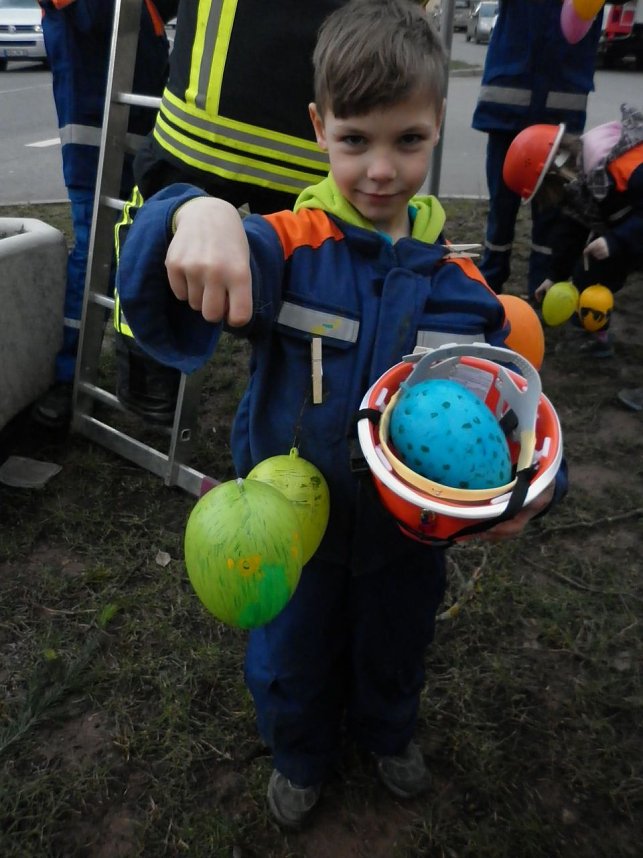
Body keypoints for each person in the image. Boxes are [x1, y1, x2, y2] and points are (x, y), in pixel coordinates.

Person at [117, 0, 567, 828]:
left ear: (438, 128)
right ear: (320, 127)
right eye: (354, 139)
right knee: (290, 658)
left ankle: (389, 732)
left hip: (407, 542)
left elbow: (518, 415)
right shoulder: (286, 247)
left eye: (407, 140)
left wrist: (536, 487)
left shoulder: (464, 297)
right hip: (299, 537)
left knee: (395, 647)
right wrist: (192, 211)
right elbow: (179, 263)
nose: (381, 170)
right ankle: (300, 752)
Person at [32, 0, 177, 429]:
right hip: (93, 132)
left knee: (145, 247)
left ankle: (148, 375)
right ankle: (72, 377)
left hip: (148, 127)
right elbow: (91, 18)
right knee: (96, 250)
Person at [471, 0, 603, 298]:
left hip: (559, 111)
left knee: (552, 209)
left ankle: (542, 287)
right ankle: (490, 282)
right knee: (502, 208)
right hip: (508, 106)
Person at [505, 103, 643, 357]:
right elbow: (572, 227)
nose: (552, 199)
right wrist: (555, 276)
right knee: (592, 265)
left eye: (547, 192)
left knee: (605, 255)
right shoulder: (582, 174)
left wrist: (616, 241)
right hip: (630, 224)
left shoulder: (624, 166)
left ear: (554, 174)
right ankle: (594, 335)